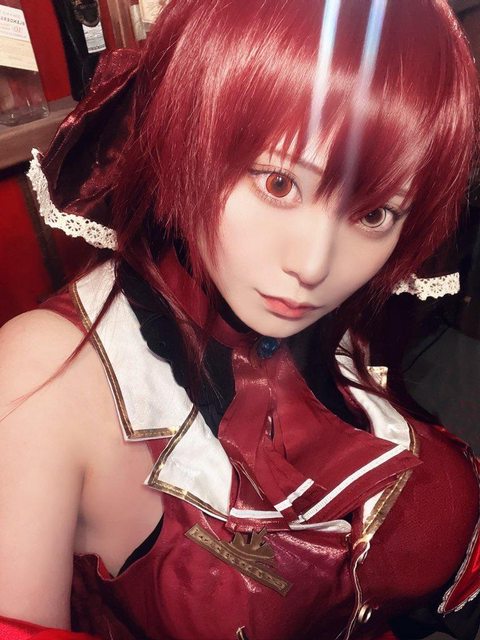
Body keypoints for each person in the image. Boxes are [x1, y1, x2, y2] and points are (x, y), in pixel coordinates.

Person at [0, 1, 479, 639]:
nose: (314, 266)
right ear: (188, 138)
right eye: (278, 184)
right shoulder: (38, 382)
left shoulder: (309, 324)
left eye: (373, 214)